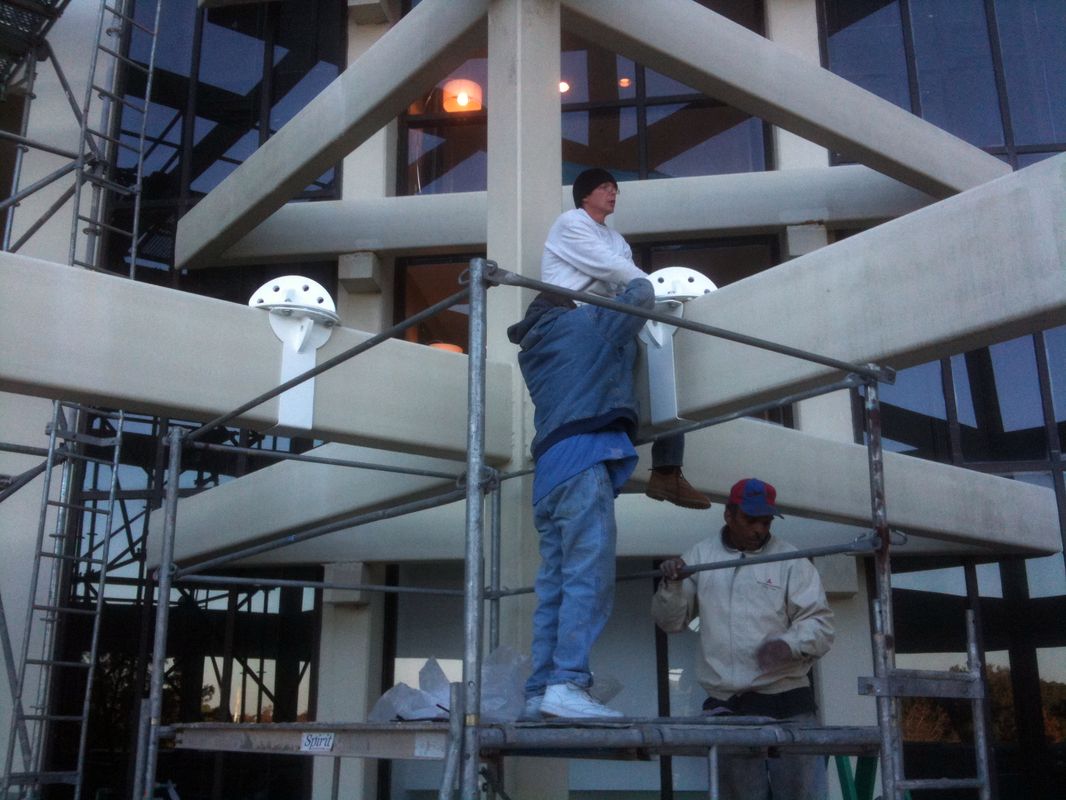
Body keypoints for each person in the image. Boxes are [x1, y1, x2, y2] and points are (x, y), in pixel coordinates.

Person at [506, 273, 655, 718]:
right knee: (587, 579)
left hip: (549, 475)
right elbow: (642, 294)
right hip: (585, 459)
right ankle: (568, 681)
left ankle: (540, 690)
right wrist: (613, 273)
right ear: (570, 304)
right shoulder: (583, 324)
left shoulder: (533, 352)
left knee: (555, 586)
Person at [652, 478, 835, 799]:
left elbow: (821, 626)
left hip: (788, 703)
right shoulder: (701, 555)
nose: (759, 529)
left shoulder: (791, 560)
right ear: (729, 515)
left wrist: (788, 645)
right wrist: (672, 585)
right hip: (728, 708)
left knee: (801, 796)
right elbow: (671, 623)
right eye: (751, 520)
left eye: (765, 521)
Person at [541, 167, 709, 510]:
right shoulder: (570, 223)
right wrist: (647, 289)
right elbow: (610, 269)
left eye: (615, 188)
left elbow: (620, 280)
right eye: (605, 187)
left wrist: (639, 291)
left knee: (664, 359)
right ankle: (614, 461)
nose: (613, 193)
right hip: (572, 316)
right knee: (616, 383)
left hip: (608, 317)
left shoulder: (616, 239)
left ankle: (667, 468)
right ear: (585, 195)